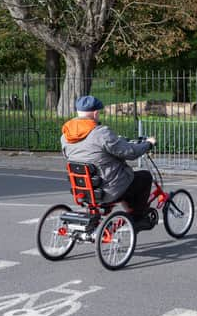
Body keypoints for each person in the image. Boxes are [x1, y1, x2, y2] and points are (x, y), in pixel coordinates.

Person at [60, 95, 156, 229]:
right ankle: (138, 218)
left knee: (127, 181)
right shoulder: (101, 133)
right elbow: (130, 153)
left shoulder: (65, 136)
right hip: (108, 190)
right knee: (144, 177)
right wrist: (148, 144)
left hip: (84, 190)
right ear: (95, 113)